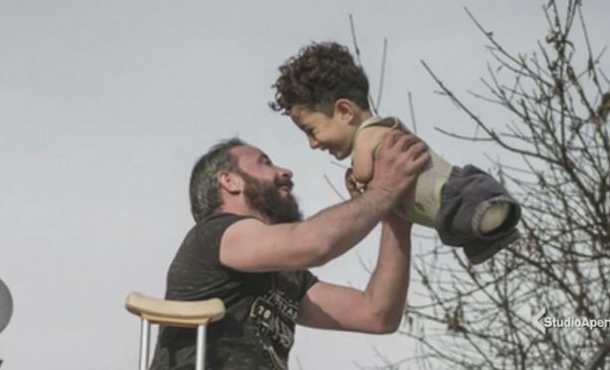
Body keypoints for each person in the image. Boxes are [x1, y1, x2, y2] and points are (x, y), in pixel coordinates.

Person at [150, 130, 429, 370]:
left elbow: (377, 314)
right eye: (265, 162)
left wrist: (396, 222)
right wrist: (383, 192)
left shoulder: (287, 275)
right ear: (229, 181)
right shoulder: (216, 234)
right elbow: (315, 244)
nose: (285, 171)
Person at [269, 41, 522, 265]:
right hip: (449, 208)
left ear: (345, 111)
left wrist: (357, 183)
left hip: (454, 193)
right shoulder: (378, 140)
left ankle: (491, 214)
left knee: (471, 212)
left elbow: (363, 174)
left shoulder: (371, 133)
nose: (312, 144)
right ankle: (493, 226)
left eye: (311, 131)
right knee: (471, 226)